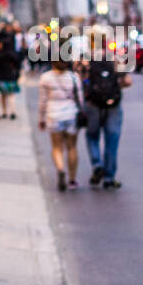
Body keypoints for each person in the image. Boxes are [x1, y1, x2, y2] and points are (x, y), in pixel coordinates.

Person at [82, 44, 132, 188]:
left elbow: (82, 81)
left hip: (93, 104)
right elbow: (127, 81)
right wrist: (114, 87)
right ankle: (109, 177)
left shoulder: (87, 59)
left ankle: (97, 164)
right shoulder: (115, 59)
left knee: (92, 136)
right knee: (112, 140)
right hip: (113, 106)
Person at [38, 58, 83, 191]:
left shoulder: (45, 78)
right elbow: (80, 99)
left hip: (53, 115)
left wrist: (41, 118)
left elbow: (42, 101)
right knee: (72, 147)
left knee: (57, 147)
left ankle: (60, 169)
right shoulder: (74, 77)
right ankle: (72, 179)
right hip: (71, 114)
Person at [0, 24, 21, 119]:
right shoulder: (13, 54)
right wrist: (17, 74)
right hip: (11, 75)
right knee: (11, 95)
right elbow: (17, 65)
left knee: (3, 95)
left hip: (1, 76)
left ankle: (4, 112)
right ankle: (12, 111)